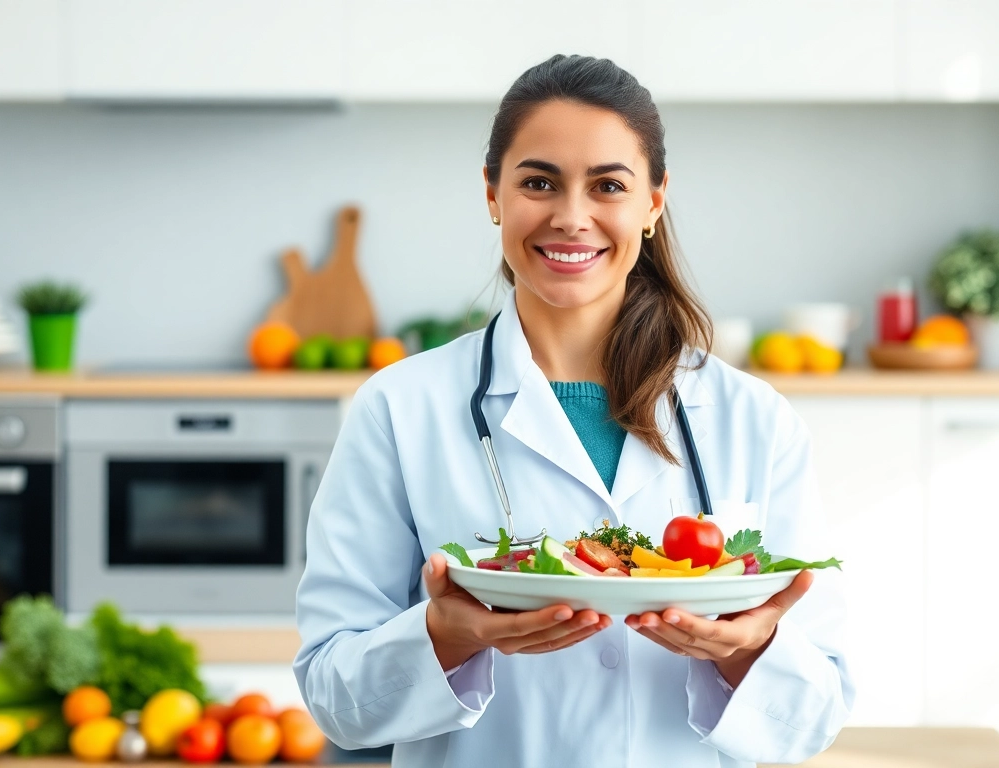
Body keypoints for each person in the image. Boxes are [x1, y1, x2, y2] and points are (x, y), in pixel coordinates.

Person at [292, 54, 854, 767]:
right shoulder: (399, 410)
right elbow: (335, 700)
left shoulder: (752, 418)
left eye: (608, 185)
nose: (570, 217)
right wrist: (447, 636)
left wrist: (749, 650)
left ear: (653, 202)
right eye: (538, 182)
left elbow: (815, 718)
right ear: (493, 194)